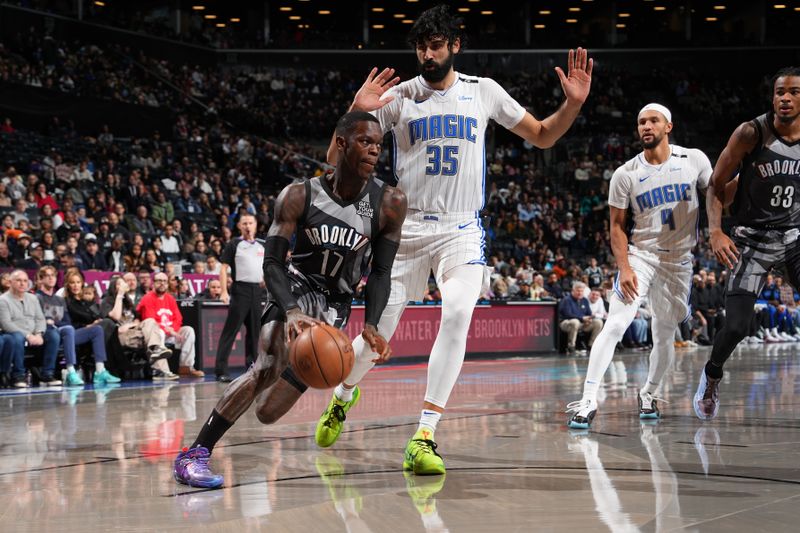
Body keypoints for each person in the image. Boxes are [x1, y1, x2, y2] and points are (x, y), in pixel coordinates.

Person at [303, 4, 590, 475]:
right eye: (421, 46)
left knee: (457, 311)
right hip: (406, 227)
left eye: (436, 45)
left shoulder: (484, 92)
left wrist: (573, 104)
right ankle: (343, 395)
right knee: (375, 339)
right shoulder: (400, 96)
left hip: (461, 227)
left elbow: (541, 136)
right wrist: (356, 109)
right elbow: (336, 161)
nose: (427, 54)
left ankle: (425, 434)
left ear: (455, 45)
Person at [173, 111, 407, 488]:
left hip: (336, 304)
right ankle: (194, 454)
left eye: (379, 145)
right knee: (266, 365)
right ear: (342, 143)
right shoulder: (300, 194)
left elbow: (380, 273)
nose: (374, 151)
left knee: (268, 412)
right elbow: (271, 263)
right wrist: (292, 310)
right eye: (365, 142)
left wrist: (374, 326)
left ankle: (314, 372)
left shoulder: (390, 202)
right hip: (297, 286)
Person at [566, 103, 713, 429]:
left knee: (663, 334)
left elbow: (716, 196)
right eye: (641, 122)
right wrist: (625, 266)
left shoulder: (695, 160)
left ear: (668, 126)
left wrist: (717, 229)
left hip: (679, 261)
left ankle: (649, 393)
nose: (646, 126)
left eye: (653, 121)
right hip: (641, 255)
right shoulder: (625, 173)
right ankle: (588, 398)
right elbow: (616, 226)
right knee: (616, 324)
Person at [695, 67, 800, 420]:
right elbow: (715, 185)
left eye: (794, 92)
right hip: (751, 240)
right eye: (780, 92)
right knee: (737, 327)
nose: (785, 98)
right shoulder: (751, 132)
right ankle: (711, 375)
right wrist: (715, 231)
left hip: (793, 236)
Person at [34, 266, 120, 386]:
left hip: (66, 332)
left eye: (53, 275)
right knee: (68, 329)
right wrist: (51, 322)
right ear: (40, 279)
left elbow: (66, 321)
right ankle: (71, 372)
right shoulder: (36, 297)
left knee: (97, 330)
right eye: (47, 276)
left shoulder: (59, 300)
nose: (51, 278)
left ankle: (100, 371)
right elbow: (38, 319)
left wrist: (55, 322)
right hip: (50, 333)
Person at [213, 213, 265, 382]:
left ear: (256, 225)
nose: (248, 226)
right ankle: (221, 370)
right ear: (239, 226)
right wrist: (223, 291)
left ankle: (252, 367)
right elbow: (223, 269)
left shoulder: (262, 245)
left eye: (250, 223)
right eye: (245, 223)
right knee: (231, 331)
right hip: (240, 289)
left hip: (257, 291)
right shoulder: (234, 244)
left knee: (255, 332)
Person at [100, 275, 175, 380]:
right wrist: (120, 295)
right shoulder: (106, 301)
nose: (123, 286)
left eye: (123, 284)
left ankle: (156, 351)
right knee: (157, 336)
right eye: (119, 284)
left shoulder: (128, 302)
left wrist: (132, 324)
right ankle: (160, 370)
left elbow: (137, 319)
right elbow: (116, 317)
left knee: (150, 322)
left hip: (134, 334)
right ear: (113, 286)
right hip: (120, 337)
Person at [0, 270, 62, 385]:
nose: (22, 284)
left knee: (53, 334)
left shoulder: (32, 298)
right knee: (17, 337)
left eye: (25, 281)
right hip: (15, 332)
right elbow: (5, 323)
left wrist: (38, 333)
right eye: (18, 281)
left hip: (34, 332)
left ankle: (48, 373)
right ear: (10, 282)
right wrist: (28, 335)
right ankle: (18, 376)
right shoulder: (3, 300)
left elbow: (40, 318)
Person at [137, 273, 204, 378]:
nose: (162, 284)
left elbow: (178, 318)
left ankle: (186, 367)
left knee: (188, 331)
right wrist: (168, 331)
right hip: (155, 334)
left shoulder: (170, 298)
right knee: (160, 332)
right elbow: (150, 321)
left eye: (164, 281)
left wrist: (173, 329)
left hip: (171, 332)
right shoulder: (147, 298)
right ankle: (161, 370)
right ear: (153, 283)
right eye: (159, 281)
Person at [558, 281, 603, 355]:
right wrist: (582, 318)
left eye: (581, 291)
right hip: (566, 323)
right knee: (575, 322)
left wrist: (589, 319)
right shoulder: (567, 300)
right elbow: (568, 315)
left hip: (582, 323)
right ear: (573, 291)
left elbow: (589, 313)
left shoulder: (584, 300)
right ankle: (571, 346)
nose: (580, 293)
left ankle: (591, 345)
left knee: (598, 322)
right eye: (578, 291)